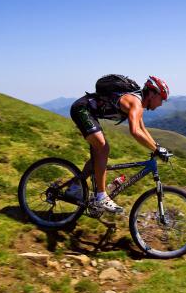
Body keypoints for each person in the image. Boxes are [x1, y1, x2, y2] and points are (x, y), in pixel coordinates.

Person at [69, 76, 171, 212]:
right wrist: (156, 150)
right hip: (81, 109)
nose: (161, 103)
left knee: (98, 154)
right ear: (152, 93)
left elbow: (142, 129)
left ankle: (75, 188)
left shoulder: (138, 103)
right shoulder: (135, 102)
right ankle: (101, 197)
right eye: (161, 98)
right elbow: (135, 131)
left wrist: (157, 146)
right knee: (103, 148)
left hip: (89, 112)